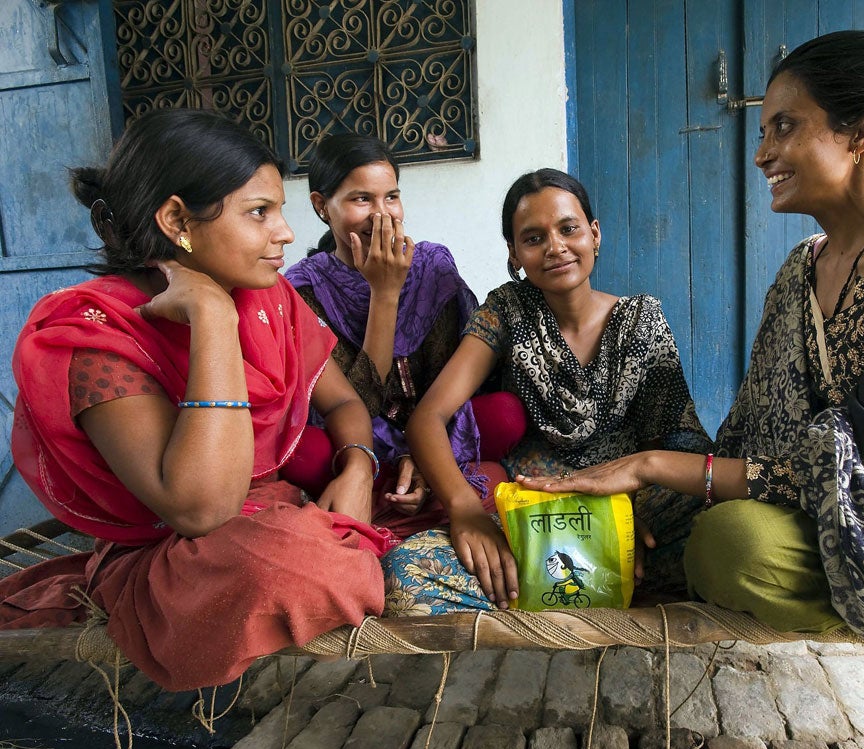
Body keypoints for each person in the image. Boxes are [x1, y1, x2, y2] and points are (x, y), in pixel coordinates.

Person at [519, 31, 864, 660]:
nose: (762, 155)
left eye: (784, 127)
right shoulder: (803, 268)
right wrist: (659, 492)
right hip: (819, 502)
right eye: (763, 132)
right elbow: (752, 424)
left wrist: (651, 464)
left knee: (733, 545)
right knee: (676, 527)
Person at [0, 109, 395, 691]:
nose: (284, 233)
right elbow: (201, 511)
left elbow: (344, 404)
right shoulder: (98, 340)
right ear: (177, 220)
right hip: (180, 550)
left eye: (280, 211)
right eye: (260, 213)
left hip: (269, 511)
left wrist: (358, 467)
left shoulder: (271, 299)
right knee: (287, 566)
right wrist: (211, 316)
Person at [384, 168, 711, 614]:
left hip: (626, 512)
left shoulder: (641, 319)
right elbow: (428, 417)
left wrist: (634, 513)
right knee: (405, 577)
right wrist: (465, 510)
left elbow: (673, 441)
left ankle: (572, 585)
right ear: (515, 254)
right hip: (534, 519)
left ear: (594, 234)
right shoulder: (506, 310)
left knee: (718, 536)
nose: (555, 247)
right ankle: (574, 586)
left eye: (569, 228)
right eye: (533, 238)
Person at [285, 133, 523, 539]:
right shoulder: (304, 289)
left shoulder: (432, 266)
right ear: (322, 207)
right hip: (353, 443)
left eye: (391, 197)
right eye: (362, 199)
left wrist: (423, 457)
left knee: (504, 413)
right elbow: (357, 403)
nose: (383, 215)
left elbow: (448, 387)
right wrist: (384, 293)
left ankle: (400, 495)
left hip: (430, 431)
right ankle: (380, 490)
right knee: (305, 452)